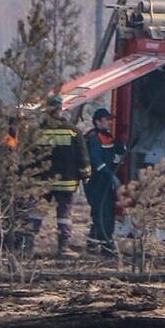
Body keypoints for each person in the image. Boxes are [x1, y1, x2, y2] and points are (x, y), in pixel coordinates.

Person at [37, 97, 91, 258]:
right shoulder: (73, 131)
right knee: (64, 214)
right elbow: (83, 158)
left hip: (42, 180)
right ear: (61, 109)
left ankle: (26, 245)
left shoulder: (38, 131)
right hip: (67, 181)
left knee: (37, 211)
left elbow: (30, 157)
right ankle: (63, 247)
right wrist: (86, 174)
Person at [84, 107, 125, 255]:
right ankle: (106, 245)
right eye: (106, 120)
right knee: (101, 212)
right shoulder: (93, 138)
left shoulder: (107, 136)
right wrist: (110, 176)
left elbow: (117, 150)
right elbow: (96, 160)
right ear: (97, 121)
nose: (109, 122)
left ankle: (94, 242)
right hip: (96, 182)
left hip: (106, 182)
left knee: (107, 212)